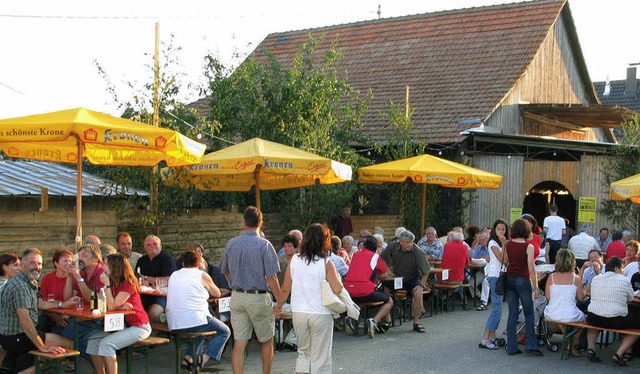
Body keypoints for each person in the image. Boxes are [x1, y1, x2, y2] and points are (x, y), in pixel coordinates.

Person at [221, 206, 282, 374]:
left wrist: (234, 281)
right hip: (258, 297)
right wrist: (280, 301)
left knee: (239, 342)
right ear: (261, 223)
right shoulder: (265, 245)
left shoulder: (231, 243)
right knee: (266, 340)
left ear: (244, 222)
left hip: (237, 296)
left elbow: (224, 271)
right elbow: (272, 277)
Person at [0, 248, 78, 373]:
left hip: (11, 336)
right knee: (70, 344)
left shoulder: (28, 282)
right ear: (22, 264)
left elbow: (38, 304)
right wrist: (42, 346)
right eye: (32, 263)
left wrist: (63, 304)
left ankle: (14, 367)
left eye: (39, 264)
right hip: (17, 337)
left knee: (50, 340)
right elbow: (25, 320)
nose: (36, 267)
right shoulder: (20, 286)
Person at [277, 223, 342, 373]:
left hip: (299, 312)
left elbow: (286, 288)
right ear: (325, 241)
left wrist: (278, 306)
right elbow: (338, 289)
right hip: (321, 313)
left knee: (303, 353)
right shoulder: (326, 263)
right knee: (321, 357)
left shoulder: (294, 260)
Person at [87, 253, 151, 374]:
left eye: (106, 264)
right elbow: (107, 304)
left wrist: (106, 287)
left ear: (115, 267)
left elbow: (111, 305)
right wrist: (119, 305)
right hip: (122, 325)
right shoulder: (113, 282)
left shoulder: (128, 283)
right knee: (93, 341)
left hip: (139, 326)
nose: (103, 266)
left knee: (106, 344)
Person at [167, 249, 231, 370]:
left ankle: (188, 358)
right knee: (225, 331)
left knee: (199, 327)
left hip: (174, 323)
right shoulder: (202, 275)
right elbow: (217, 293)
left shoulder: (174, 275)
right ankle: (204, 359)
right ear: (198, 263)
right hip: (196, 319)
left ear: (182, 263)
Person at [585, 256, 639, 365]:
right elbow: (630, 298)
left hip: (593, 317)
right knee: (637, 326)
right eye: (622, 268)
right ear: (617, 268)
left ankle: (591, 348)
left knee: (596, 318)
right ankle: (619, 353)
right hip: (616, 320)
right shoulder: (624, 280)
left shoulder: (596, 278)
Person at [504, 218, 543, 356]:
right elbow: (531, 269)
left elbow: (507, 261)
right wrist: (536, 287)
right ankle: (531, 345)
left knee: (512, 313)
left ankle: (511, 346)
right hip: (523, 279)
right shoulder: (529, 247)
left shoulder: (508, 244)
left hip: (510, 278)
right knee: (529, 312)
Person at [381, 230, 430, 333]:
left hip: (412, 278)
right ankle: (388, 320)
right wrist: (387, 269)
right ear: (401, 242)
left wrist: (421, 285)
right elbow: (382, 258)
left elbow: (426, 271)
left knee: (418, 294)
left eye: (412, 242)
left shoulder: (418, 251)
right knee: (384, 292)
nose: (410, 244)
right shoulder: (393, 246)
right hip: (397, 278)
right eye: (408, 242)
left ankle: (416, 322)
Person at [343, 235, 393, 338]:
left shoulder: (355, 254)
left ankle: (351, 317)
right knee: (389, 301)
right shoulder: (375, 256)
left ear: (364, 246)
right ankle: (374, 321)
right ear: (376, 247)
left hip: (348, 290)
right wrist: (376, 275)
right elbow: (384, 275)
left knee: (357, 300)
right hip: (364, 290)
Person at [544, 249, 586, 356]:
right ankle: (572, 343)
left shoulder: (551, 277)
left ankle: (568, 340)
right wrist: (586, 291)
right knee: (584, 320)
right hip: (569, 314)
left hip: (552, 313)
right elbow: (581, 298)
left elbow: (548, 297)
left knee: (560, 317)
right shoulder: (576, 278)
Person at [478, 219, 508, 349]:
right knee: (497, 309)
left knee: (498, 308)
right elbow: (502, 259)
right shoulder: (493, 243)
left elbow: (506, 259)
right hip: (495, 277)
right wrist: (504, 243)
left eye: (503, 229)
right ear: (494, 230)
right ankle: (485, 338)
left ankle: (492, 335)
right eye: (499, 229)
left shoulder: (500, 243)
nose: (501, 231)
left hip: (499, 276)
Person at [137, 235, 177, 322]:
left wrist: (147, 278)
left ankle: (160, 328)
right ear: (144, 248)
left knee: (153, 313)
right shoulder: (141, 260)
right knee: (134, 309)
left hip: (163, 296)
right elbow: (137, 276)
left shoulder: (167, 260)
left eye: (155, 244)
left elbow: (167, 281)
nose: (152, 246)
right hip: (144, 294)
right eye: (149, 244)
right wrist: (142, 280)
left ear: (161, 246)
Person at [38, 249, 74, 333]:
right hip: (50, 314)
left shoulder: (73, 278)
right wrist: (54, 316)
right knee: (40, 324)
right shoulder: (47, 278)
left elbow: (69, 300)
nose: (68, 263)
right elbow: (43, 302)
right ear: (56, 263)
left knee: (58, 330)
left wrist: (69, 278)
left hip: (67, 315)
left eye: (70, 261)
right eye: (65, 261)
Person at [470, 232, 490, 304]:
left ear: (488, 240)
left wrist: (482, 258)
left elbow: (491, 259)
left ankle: (484, 300)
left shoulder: (491, 247)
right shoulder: (479, 248)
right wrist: (483, 257)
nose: (481, 242)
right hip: (481, 271)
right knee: (471, 284)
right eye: (480, 240)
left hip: (489, 271)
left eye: (483, 240)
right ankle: (479, 296)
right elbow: (473, 258)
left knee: (485, 281)